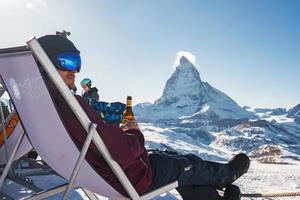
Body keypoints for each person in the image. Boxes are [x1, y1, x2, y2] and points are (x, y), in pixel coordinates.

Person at [37, 34, 250, 200]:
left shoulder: (44, 105)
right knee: (186, 165)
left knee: (168, 155)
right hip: (129, 178)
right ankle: (227, 174)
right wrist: (132, 130)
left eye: (77, 62)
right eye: (66, 61)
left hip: (101, 174)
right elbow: (123, 151)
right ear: (44, 64)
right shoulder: (72, 106)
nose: (75, 69)